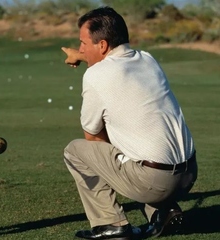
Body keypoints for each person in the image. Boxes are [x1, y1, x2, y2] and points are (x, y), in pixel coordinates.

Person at [61, 6, 197, 240]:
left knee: (76, 151)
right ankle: (163, 210)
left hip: (155, 182)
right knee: (132, 139)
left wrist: (118, 157)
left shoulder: (95, 76)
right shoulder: (147, 59)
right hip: (188, 174)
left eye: (83, 43)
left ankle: (110, 225)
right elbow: (113, 60)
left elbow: (93, 138)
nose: (80, 48)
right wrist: (83, 55)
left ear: (102, 45)